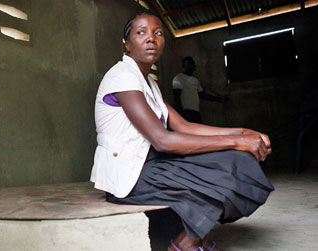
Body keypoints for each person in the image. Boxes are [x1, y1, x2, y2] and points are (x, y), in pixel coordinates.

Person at [90, 12, 273, 251]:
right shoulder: (121, 76)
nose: (151, 39)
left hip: (151, 165)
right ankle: (184, 244)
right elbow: (162, 140)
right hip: (130, 176)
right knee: (225, 167)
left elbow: (185, 126)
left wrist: (243, 132)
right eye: (141, 32)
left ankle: (192, 238)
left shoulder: (148, 84)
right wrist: (237, 142)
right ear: (126, 43)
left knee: (231, 161)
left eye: (158, 33)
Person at [172, 56, 225, 123]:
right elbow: (176, 96)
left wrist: (218, 99)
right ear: (184, 65)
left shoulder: (195, 80)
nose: (192, 65)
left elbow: (202, 95)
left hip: (195, 112)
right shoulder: (179, 78)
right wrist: (181, 112)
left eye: (192, 64)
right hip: (186, 112)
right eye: (189, 63)